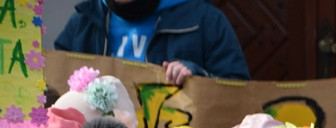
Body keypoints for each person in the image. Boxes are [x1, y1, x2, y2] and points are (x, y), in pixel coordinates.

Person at [55, 0, 251, 84]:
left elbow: (237, 91)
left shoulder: (206, 20)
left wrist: (196, 76)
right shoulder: (84, 19)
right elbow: (55, 85)